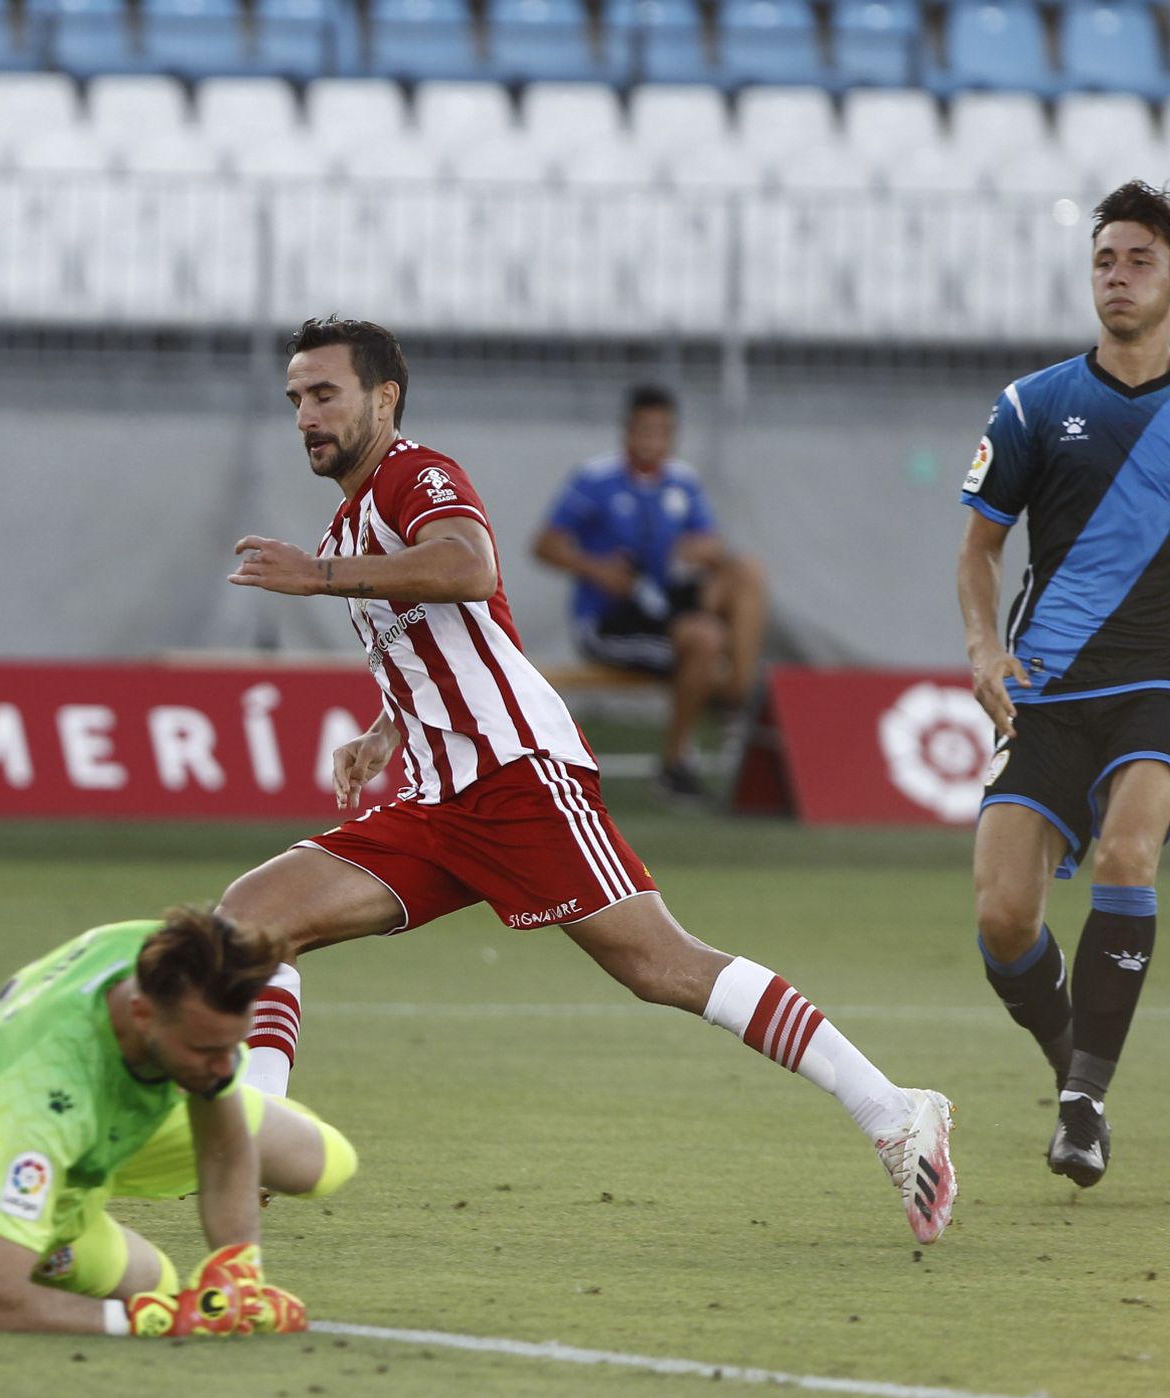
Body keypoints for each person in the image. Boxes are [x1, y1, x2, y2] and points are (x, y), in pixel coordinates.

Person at [223, 315, 957, 1246]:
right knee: (249, 924)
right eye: (295, 399)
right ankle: (259, 1138)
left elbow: (470, 566)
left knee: (662, 966)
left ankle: (894, 1110)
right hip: (437, 796)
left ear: (383, 398)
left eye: (323, 393)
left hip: (518, 777)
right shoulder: (351, 515)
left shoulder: (416, 474)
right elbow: (464, 636)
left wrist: (323, 578)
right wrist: (386, 728)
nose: (305, 416)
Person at [957, 180, 1170, 1190]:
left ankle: (1080, 1105)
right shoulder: (1036, 404)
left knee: (1132, 850)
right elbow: (979, 551)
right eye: (1104, 261)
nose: (1116, 278)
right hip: (1043, 688)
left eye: (1136, 260)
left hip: (1156, 687)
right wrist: (978, 646)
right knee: (1003, 916)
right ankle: (1071, 1070)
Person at [0, 907, 357, 1334]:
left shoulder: (175, 959)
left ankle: (13, 1251)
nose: (224, 1068)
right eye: (204, 1048)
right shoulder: (44, 1102)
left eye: (232, 1044)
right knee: (152, 1286)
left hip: (129, 1099)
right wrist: (153, 1321)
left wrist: (237, 1269)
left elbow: (223, 1146)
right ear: (142, 1014)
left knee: (322, 1161)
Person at [531, 384, 766, 805]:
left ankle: (736, 693)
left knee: (747, 572)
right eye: (646, 430)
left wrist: (702, 550)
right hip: (611, 619)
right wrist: (596, 569)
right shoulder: (595, 480)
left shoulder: (682, 481)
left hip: (664, 605)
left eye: (663, 431)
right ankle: (675, 766)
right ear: (628, 431)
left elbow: (711, 544)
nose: (653, 440)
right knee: (704, 638)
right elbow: (545, 545)